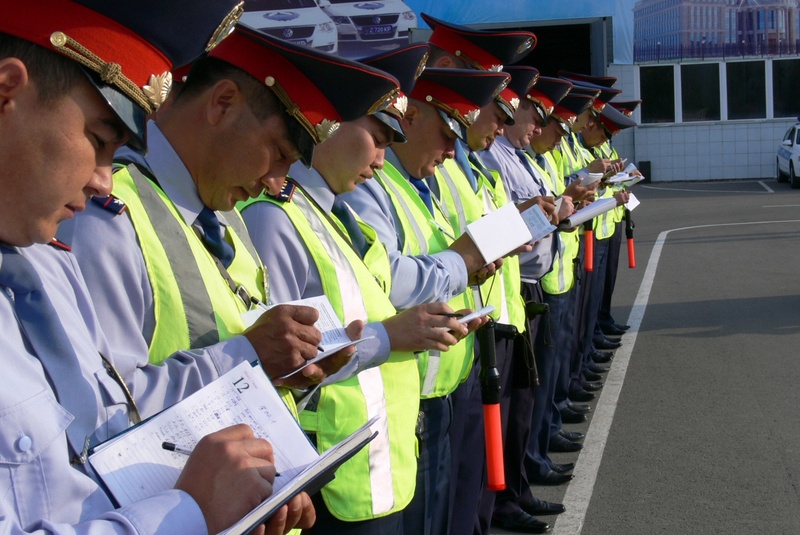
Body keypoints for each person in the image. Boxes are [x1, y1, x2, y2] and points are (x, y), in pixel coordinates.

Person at [0, 1, 313, 533]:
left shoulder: (47, 262)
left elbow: (109, 429)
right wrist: (186, 512)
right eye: (98, 141)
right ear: (7, 92)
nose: (104, 179)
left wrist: (235, 482)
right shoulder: (80, 230)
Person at [58, 24, 402, 397]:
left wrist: (282, 371)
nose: (275, 183)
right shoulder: (106, 220)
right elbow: (103, 405)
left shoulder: (224, 213)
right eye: (279, 153)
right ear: (223, 103)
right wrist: (247, 359)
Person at [239, 48, 486, 535]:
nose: (380, 161)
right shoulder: (274, 217)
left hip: (374, 461)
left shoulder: (339, 216)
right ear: (328, 124)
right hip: (330, 477)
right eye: (376, 139)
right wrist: (392, 336)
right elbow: (284, 361)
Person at [342, 54, 511, 535]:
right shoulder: (367, 183)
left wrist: (469, 268)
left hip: (435, 382)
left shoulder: (416, 181)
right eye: (447, 135)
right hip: (404, 394)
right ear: (411, 117)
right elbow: (386, 281)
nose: (452, 152)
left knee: (447, 509)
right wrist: (463, 260)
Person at [481, 71, 579, 534]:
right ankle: (508, 497)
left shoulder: (511, 157)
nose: (538, 128)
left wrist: (556, 209)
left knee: (520, 405)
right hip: (504, 296)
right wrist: (544, 214)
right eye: (531, 116)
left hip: (520, 291)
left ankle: (516, 487)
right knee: (505, 413)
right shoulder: (491, 158)